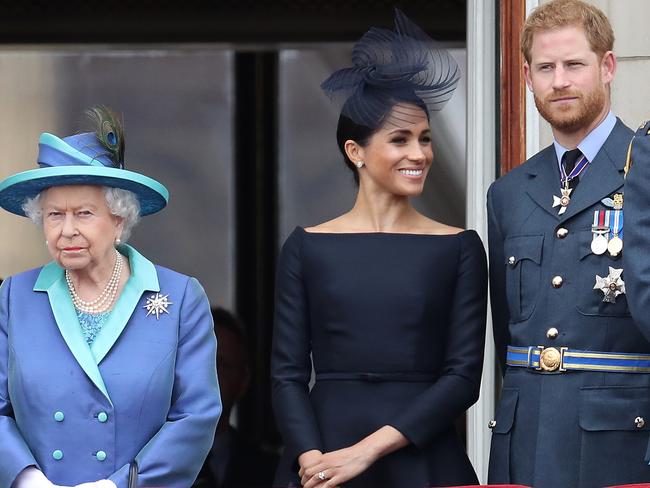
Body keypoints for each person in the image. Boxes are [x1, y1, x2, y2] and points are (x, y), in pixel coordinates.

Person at [271, 10, 487, 488]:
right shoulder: (306, 247)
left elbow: (462, 379)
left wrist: (365, 453)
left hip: (423, 459)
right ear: (356, 152)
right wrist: (313, 457)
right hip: (322, 458)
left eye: (426, 139)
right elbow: (286, 376)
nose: (420, 154)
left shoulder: (460, 248)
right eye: (400, 139)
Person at [0, 106, 222, 488]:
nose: (66, 230)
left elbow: (196, 415)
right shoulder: (14, 297)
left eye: (84, 213)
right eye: (54, 215)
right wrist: (26, 478)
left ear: (119, 219)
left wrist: (116, 485)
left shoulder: (179, 297)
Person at [486, 1, 647, 486]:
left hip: (620, 444)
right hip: (525, 442)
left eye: (574, 64)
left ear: (608, 66)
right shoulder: (508, 192)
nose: (559, 81)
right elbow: (506, 334)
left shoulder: (644, 167)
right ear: (527, 76)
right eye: (545, 67)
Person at [194, 308, 278, 488]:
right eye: (201, 361)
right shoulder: (143, 460)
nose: (209, 373)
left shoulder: (272, 471)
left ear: (243, 381)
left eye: (221, 364)